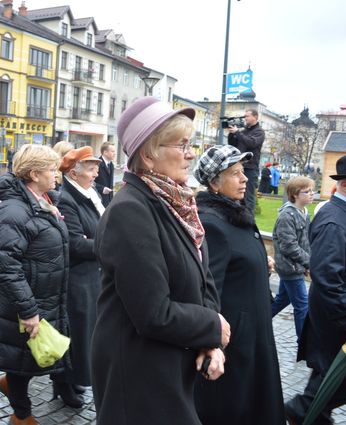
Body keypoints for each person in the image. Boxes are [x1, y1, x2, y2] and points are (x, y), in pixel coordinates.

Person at [92, 98, 228, 425]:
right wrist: (213, 327)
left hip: (169, 363)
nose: (191, 153)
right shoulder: (131, 210)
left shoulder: (176, 204)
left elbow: (201, 276)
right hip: (138, 374)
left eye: (191, 144)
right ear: (150, 153)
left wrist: (208, 341)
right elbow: (153, 312)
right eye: (182, 145)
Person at [193, 145, 285, 424]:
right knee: (236, 409)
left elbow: (239, 261)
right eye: (235, 173)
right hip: (235, 344)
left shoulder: (234, 213)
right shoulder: (213, 222)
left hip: (254, 333)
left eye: (243, 171)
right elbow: (209, 290)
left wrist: (260, 264)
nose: (244, 178)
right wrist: (211, 343)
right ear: (214, 183)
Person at [0, 144, 69, 425]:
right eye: (52, 169)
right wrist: (28, 310)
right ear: (34, 173)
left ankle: (12, 388)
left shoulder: (42, 200)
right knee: (20, 359)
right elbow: (8, 266)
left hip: (43, 295)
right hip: (23, 302)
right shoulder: (13, 211)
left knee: (26, 358)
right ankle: (21, 415)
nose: (57, 175)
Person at [285, 153, 346, 425]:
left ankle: (310, 414)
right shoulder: (335, 220)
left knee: (335, 371)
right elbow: (327, 277)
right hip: (342, 310)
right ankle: (302, 410)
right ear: (345, 185)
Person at [55, 146, 104, 405]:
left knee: (84, 333)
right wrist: (106, 244)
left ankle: (71, 379)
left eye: (96, 166)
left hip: (91, 274)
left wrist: (95, 240)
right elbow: (75, 244)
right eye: (91, 167)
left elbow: (94, 233)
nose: (97, 172)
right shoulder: (67, 199)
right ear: (74, 173)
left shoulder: (87, 193)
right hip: (77, 278)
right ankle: (63, 383)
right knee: (75, 333)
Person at [271, 176, 314, 339]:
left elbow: (305, 242)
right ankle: (305, 342)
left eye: (312, 190)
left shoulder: (304, 212)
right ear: (295, 194)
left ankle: (258, 321)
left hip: (297, 265)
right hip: (290, 267)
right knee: (302, 305)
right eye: (307, 191)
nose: (312, 194)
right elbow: (289, 246)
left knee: (283, 299)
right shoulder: (287, 216)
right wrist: (309, 262)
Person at [227, 108, 265, 211]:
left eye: (247, 116)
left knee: (248, 197)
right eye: (245, 116)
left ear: (255, 117)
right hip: (240, 166)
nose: (245, 118)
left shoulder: (259, 132)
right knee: (236, 195)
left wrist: (238, 133)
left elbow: (252, 143)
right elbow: (232, 144)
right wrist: (232, 133)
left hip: (250, 168)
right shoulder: (243, 131)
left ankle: (249, 222)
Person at [94, 141, 116, 207]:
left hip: (108, 201)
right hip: (99, 200)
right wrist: (102, 188)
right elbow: (90, 182)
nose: (115, 153)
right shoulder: (97, 164)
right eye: (112, 151)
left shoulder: (111, 164)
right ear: (105, 152)